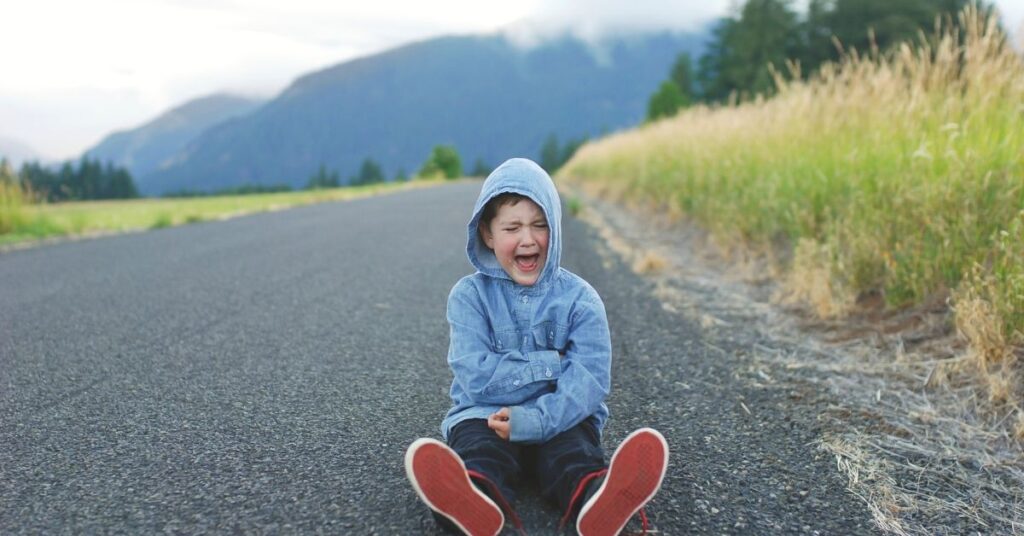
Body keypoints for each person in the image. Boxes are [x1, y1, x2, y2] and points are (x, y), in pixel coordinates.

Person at [404, 158, 669, 536]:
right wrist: (552, 365)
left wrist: (537, 420)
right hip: (486, 415)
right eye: (512, 227)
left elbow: (590, 381)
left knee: (572, 456)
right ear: (487, 234)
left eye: (540, 226)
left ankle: (598, 498)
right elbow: (477, 378)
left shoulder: (581, 300)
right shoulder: (468, 297)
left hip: (561, 417)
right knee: (479, 454)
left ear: (556, 231)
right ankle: (469, 502)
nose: (528, 239)